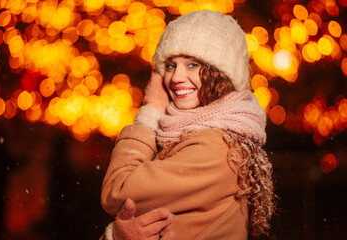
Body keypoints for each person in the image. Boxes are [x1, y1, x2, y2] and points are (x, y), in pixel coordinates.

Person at [100, 10, 275, 240]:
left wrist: (150, 112)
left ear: (222, 74)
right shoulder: (193, 135)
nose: (176, 77)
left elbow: (117, 191)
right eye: (170, 66)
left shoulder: (215, 147)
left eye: (193, 65)